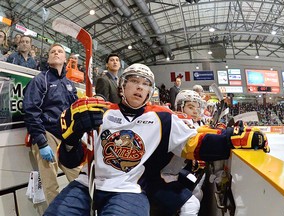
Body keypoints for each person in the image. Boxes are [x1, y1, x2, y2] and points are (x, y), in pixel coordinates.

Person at [44, 63, 269, 216]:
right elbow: (70, 161)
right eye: (133, 81)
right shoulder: (98, 112)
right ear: (122, 86)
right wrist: (72, 136)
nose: (139, 86)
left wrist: (232, 139)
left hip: (129, 190)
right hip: (86, 185)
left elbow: (196, 145)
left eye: (145, 83)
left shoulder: (163, 118)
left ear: (150, 90)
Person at [23, 43, 82, 206]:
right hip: (47, 134)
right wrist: (41, 142)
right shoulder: (40, 80)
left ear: (65, 59)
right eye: (52, 51)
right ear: (48, 58)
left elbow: (75, 110)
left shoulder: (70, 84)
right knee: (51, 186)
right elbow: (30, 110)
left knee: (80, 178)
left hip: (66, 136)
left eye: (60, 51)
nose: (56, 53)